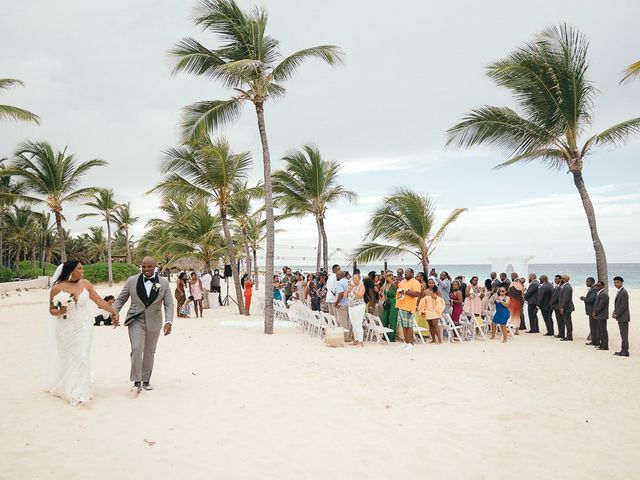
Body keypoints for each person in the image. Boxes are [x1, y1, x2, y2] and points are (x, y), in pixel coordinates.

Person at [47, 260, 119, 405]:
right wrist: (60, 311)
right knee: (67, 356)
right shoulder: (57, 288)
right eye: (80, 269)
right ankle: (68, 384)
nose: (82, 271)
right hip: (65, 327)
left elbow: (99, 301)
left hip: (84, 325)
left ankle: (81, 391)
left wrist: (113, 312)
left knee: (82, 354)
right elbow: (52, 310)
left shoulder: (85, 284)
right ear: (70, 271)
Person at [396, 268, 422, 350]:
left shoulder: (415, 282)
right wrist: (397, 280)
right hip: (401, 306)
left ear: (412, 274)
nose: (405, 274)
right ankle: (406, 342)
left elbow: (417, 294)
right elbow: (395, 288)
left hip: (409, 307)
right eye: (405, 273)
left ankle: (411, 344)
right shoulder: (404, 281)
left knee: (409, 326)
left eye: (407, 273)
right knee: (404, 326)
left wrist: (406, 292)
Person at [612, 276, 630, 357]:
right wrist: (614, 311)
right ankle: (623, 350)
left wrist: (617, 314)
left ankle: (625, 351)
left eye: (617, 282)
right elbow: (618, 305)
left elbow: (623, 306)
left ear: (622, 283)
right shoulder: (620, 291)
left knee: (624, 335)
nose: (616, 284)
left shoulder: (623, 292)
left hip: (624, 317)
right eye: (615, 282)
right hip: (621, 316)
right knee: (623, 335)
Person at [346, 273, 366, 347]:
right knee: (353, 324)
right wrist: (348, 289)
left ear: (359, 279)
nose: (354, 279)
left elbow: (360, 296)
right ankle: (356, 340)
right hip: (351, 306)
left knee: (358, 324)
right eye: (353, 278)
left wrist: (353, 290)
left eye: (355, 278)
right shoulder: (351, 286)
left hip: (359, 306)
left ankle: (361, 342)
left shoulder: (361, 286)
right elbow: (345, 295)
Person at [380, 270, 399, 342]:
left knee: (392, 319)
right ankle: (385, 335)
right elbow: (383, 293)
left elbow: (395, 287)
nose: (389, 276)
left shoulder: (395, 283)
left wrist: (390, 280)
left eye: (391, 275)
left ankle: (392, 337)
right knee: (384, 318)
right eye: (388, 275)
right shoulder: (385, 284)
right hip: (387, 302)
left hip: (394, 301)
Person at [591, 281, 609, 351]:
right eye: (596, 285)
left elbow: (601, 305)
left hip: (602, 315)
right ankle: (602, 345)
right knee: (601, 331)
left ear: (603, 286)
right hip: (599, 315)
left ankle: (605, 346)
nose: (597, 286)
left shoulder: (603, 294)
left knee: (603, 331)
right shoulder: (599, 293)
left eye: (598, 285)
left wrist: (595, 312)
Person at [334, 271, 351, 341]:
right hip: (350, 303)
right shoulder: (349, 281)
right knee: (349, 321)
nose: (336, 277)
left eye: (336, 275)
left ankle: (345, 337)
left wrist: (337, 303)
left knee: (343, 321)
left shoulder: (339, 283)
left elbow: (341, 293)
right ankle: (350, 336)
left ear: (339, 276)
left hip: (343, 304)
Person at [581, 277, 598, 346]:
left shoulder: (594, 289)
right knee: (592, 326)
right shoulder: (592, 289)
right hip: (590, 311)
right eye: (586, 281)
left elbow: (591, 299)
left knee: (594, 326)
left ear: (593, 282)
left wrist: (584, 298)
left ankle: (595, 341)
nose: (587, 283)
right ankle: (594, 341)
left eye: (588, 281)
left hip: (592, 311)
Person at [559, 274, 575, 341]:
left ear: (564, 279)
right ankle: (568, 335)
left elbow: (566, 298)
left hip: (567, 308)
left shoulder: (567, 287)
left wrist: (562, 307)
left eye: (561, 278)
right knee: (567, 322)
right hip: (567, 307)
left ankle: (569, 336)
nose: (560, 280)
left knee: (568, 322)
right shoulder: (565, 286)